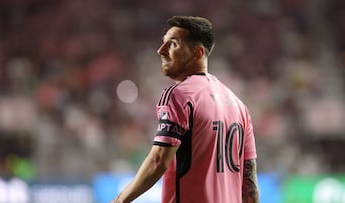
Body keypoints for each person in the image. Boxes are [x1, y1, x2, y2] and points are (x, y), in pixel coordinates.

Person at [111, 16, 259, 203]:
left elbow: (158, 161)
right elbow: (249, 182)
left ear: (197, 53)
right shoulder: (239, 106)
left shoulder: (179, 95)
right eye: (163, 43)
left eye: (172, 44)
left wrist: (119, 201)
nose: (161, 50)